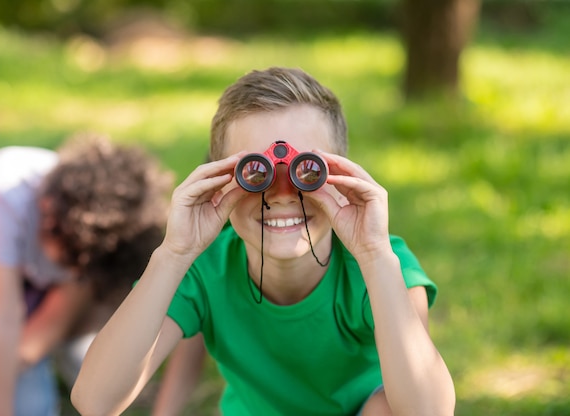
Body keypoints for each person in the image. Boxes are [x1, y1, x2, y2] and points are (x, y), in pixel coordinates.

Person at [72, 67, 456, 416]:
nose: (283, 193)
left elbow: (429, 412)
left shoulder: (382, 267)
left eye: (308, 171)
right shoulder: (205, 269)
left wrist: (375, 257)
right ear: (220, 178)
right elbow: (95, 401)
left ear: (342, 176)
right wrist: (174, 254)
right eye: (256, 172)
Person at [0, 133, 173, 416]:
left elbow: (76, 294)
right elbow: (4, 313)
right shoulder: (0, 190)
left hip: (37, 308)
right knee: (19, 400)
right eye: (72, 261)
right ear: (49, 215)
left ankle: (79, 358)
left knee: (93, 293)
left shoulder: (97, 219)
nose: (73, 270)